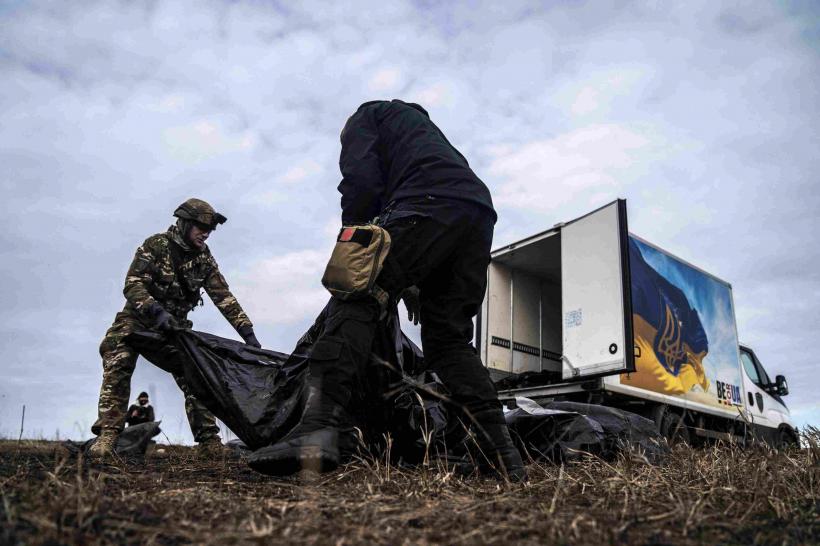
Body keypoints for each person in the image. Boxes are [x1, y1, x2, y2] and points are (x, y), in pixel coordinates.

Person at [249, 100, 525, 480]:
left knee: (357, 298)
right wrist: (409, 279)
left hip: (425, 203)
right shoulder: (429, 138)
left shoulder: (368, 115)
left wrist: (358, 244)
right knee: (448, 340)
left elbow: (361, 179)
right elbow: (430, 231)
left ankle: (319, 429)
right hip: (477, 215)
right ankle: (501, 456)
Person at [89, 198, 261, 459]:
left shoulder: (204, 258)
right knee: (118, 358)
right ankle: (108, 435)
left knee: (199, 372)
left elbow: (223, 297)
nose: (205, 233)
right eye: (200, 227)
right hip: (137, 321)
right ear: (184, 224)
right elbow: (132, 284)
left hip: (174, 328)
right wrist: (156, 312)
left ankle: (209, 442)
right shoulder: (156, 245)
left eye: (209, 229)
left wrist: (248, 335)